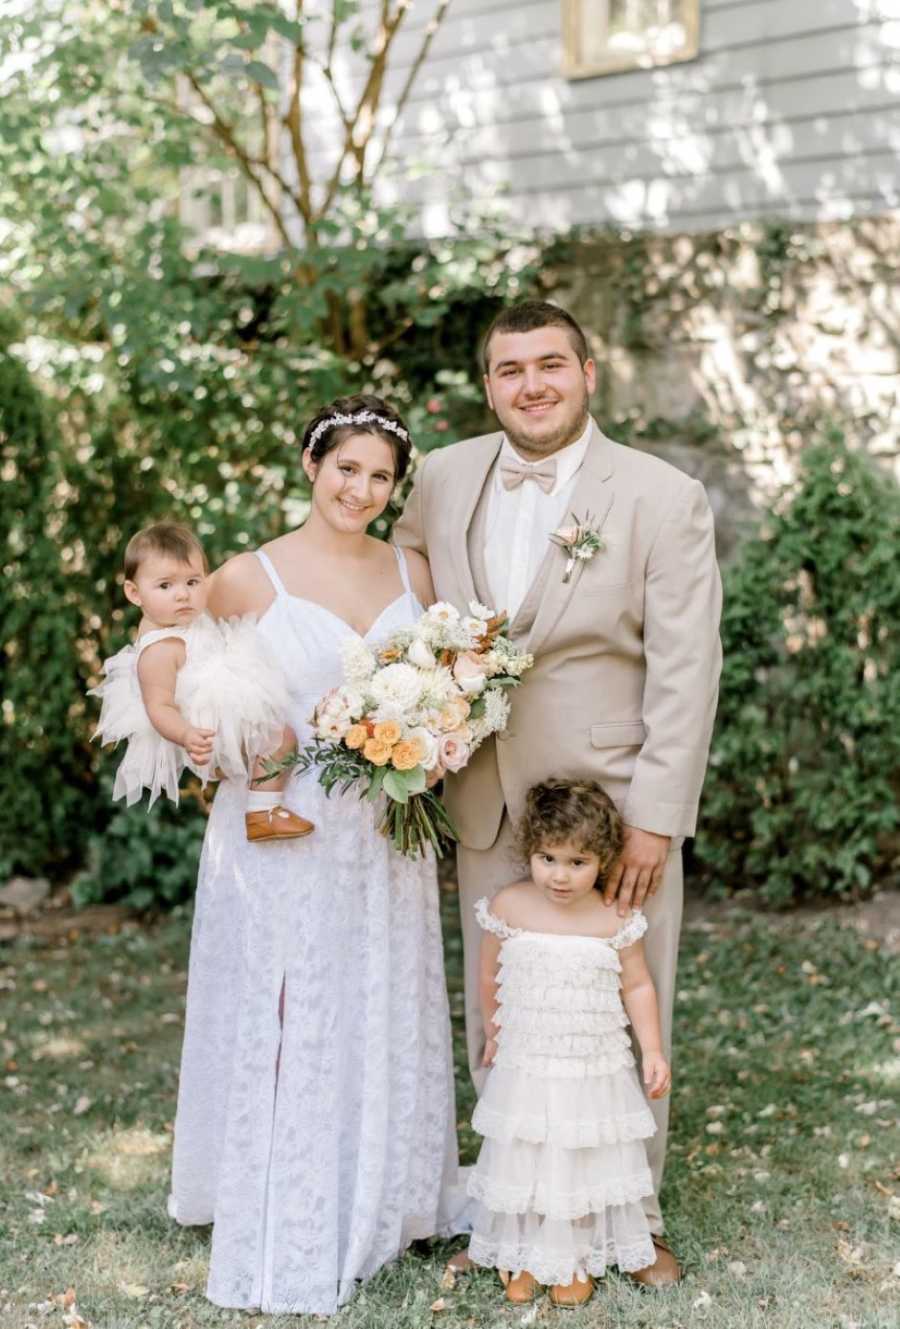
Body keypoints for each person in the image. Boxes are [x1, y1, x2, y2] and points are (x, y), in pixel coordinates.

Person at [394, 299, 722, 1284]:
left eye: (549, 365)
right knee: (505, 1006)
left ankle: (629, 1218)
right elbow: (400, 584)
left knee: (622, 1009)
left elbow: (686, 667)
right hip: (483, 789)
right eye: (509, 370)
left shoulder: (663, 496)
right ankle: (512, 1220)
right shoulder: (443, 478)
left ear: (587, 372)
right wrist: (409, 702)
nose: (530, 385)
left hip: (609, 806)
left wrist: (657, 820)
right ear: (487, 383)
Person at [167, 395, 466, 1315]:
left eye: (380, 476)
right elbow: (167, 654)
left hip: (382, 833)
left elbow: (448, 681)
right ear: (311, 464)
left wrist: (433, 737)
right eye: (347, 468)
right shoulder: (246, 577)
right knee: (292, 997)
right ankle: (284, 1183)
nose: (362, 489)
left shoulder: (414, 568)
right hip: (279, 825)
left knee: (377, 990)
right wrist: (198, 736)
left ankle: (389, 1187)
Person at [469, 779, 670, 1308]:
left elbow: (638, 985)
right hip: (529, 1060)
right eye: (547, 858)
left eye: (577, 862)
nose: (560, 875)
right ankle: (528, 1253)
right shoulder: (510, 906)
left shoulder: (613, 916)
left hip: (589, 1064)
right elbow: (489, 975)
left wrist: (651, 1050)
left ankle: (574, 1255)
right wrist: (494, 1028)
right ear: (529, 852)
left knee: (581, 1156)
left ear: (603, 860)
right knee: (528, 1155)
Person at [90, 521, 313, 842]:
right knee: (281, 738)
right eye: (165, 586)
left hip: (222, 695)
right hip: (204, 720)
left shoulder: (181, 620)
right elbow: (159, 706)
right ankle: (262, 811)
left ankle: (254, 792)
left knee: (277, 734)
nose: (182, 594)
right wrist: (186, 734)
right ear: (134, 593)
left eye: (193, 581)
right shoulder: (160, 651)